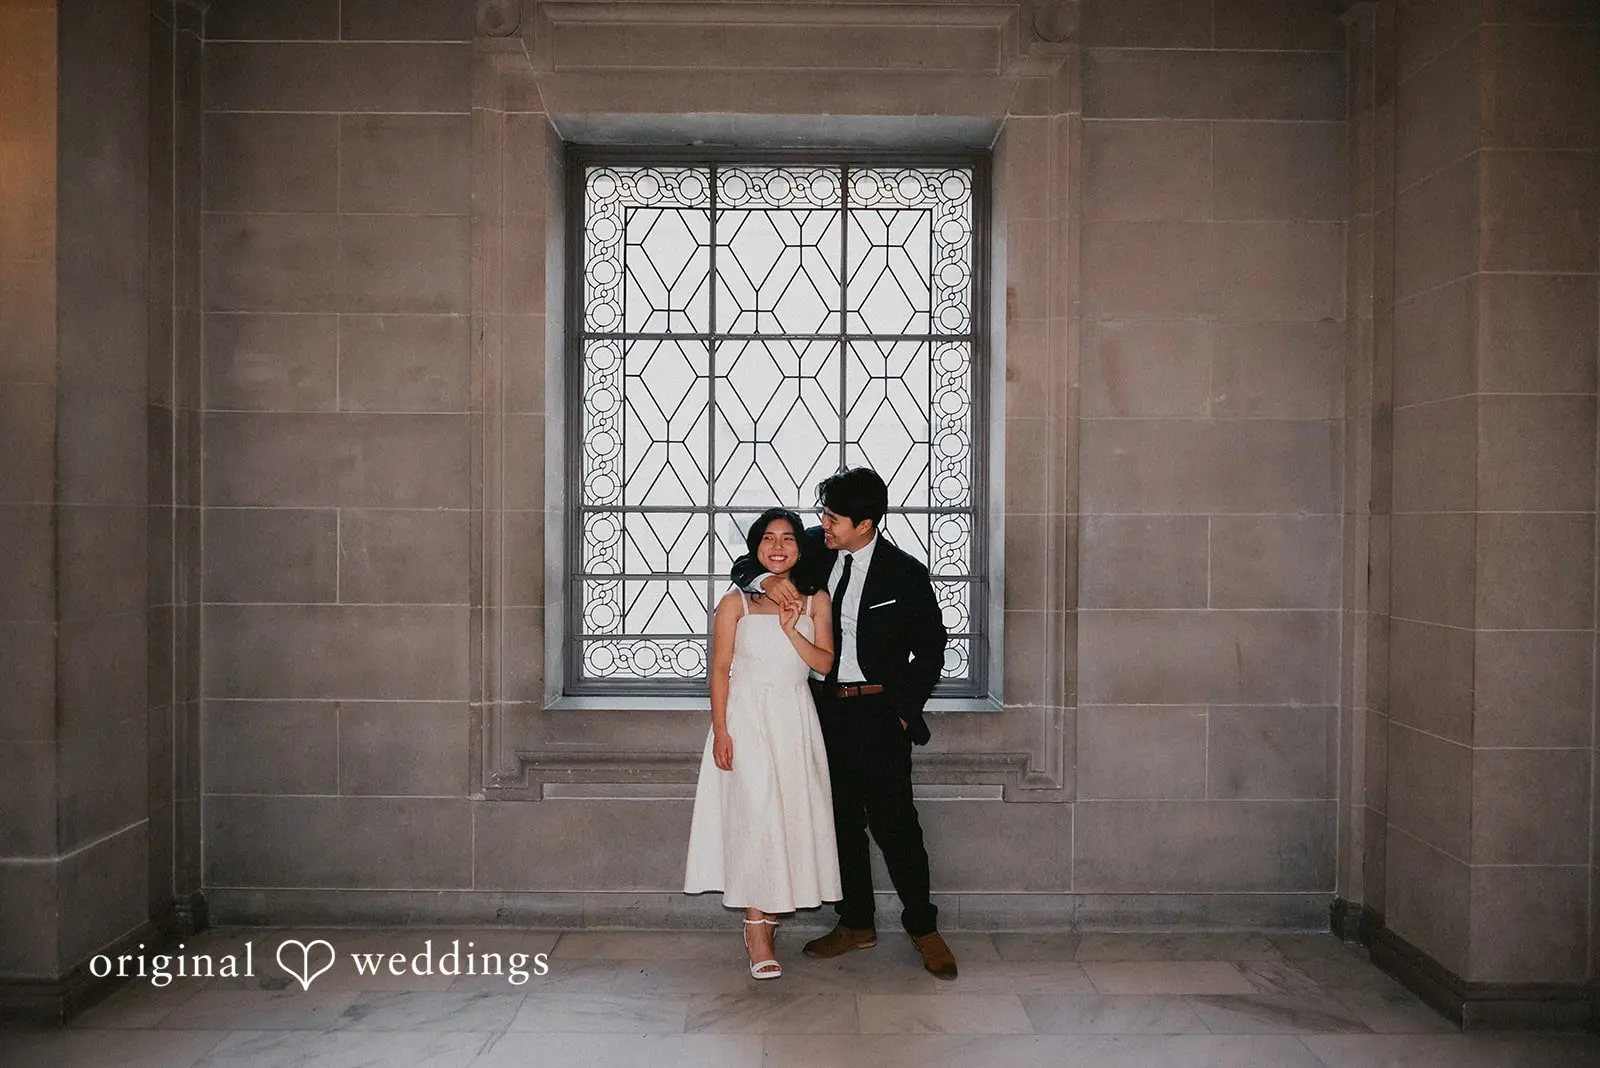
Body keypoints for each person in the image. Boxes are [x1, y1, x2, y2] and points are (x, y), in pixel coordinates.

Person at [730, 468, 957, 980]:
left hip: (879, 713)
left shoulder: (905, 573)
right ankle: (856, 922)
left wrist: (903, 711)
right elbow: (748, 561)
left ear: (866, 523)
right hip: (820, 709)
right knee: (838, 823)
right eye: (823, 514)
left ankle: (924, 928)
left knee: (896, 825)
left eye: (832, 517)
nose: (822, 524)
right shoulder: (814, 548)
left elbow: (933, 649)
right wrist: (764, 579)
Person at [684, 508, 840, 979]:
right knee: (756, 815)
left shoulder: (816, 600)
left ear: (800, 546)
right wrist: (722, 730)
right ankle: (756, 930)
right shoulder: (736, 602)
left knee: (788, 817)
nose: (778, 547)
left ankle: (768, 919)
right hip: (746, 720)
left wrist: (792, 629)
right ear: (755, 548)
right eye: (768, 538)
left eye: (787, 538)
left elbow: (825, 665)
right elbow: (719, 669)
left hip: (794, 720)